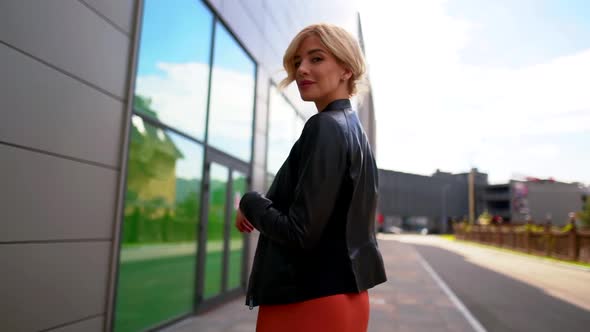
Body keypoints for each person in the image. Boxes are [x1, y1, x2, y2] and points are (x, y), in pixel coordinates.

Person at [235, 23, 387, 332]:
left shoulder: (325, 127)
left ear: (346, 69)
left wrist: (250, 201)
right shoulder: (356, 134)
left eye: (316, 59)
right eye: (297, 61)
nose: (301, 69)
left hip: (308, 301)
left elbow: (299, 232)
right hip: (349, 297)